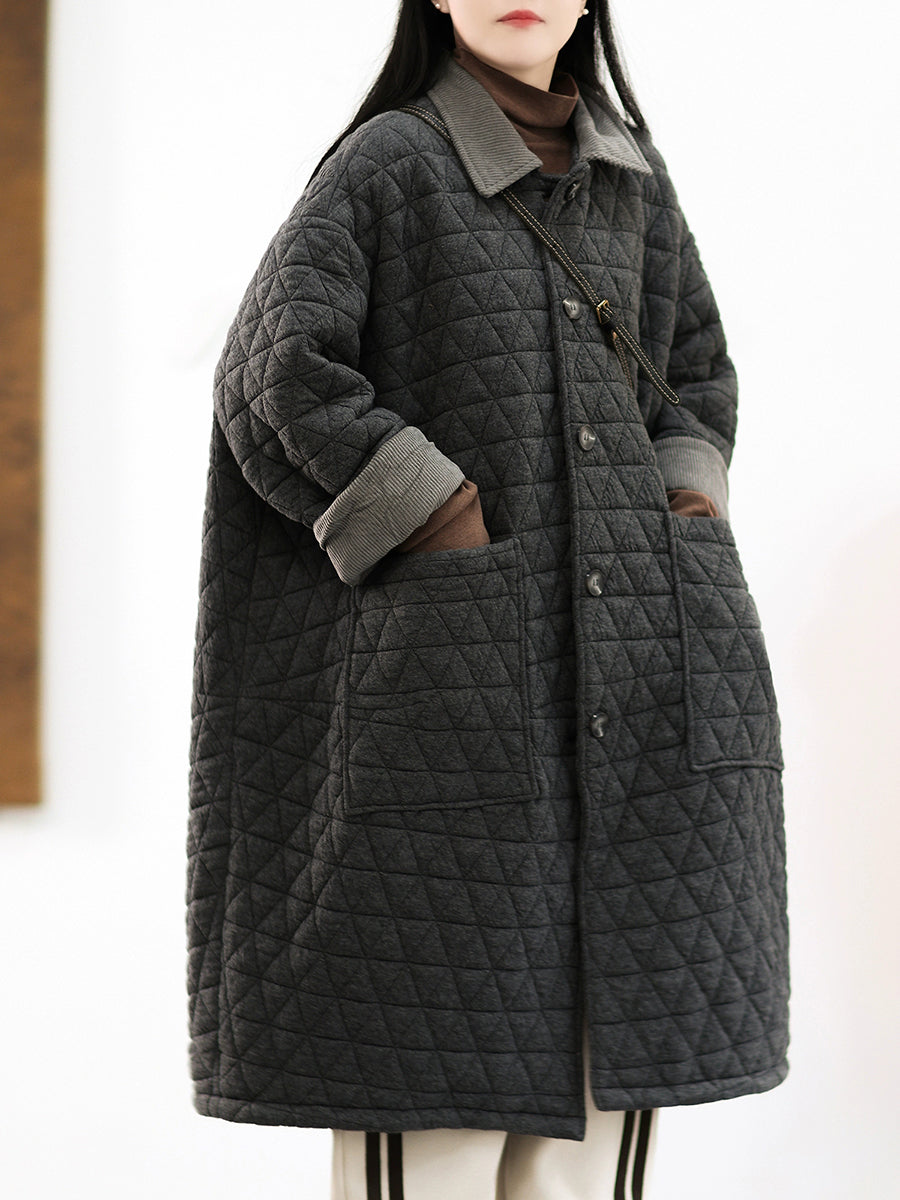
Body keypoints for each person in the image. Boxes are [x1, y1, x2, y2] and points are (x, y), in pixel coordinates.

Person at [184, 2, 791, 1198]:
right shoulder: (391, 164)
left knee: (585, 1157)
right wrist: (434, 516)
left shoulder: (632, 180)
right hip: (448, 725)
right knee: (438, 1150)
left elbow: (696, 375)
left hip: (640, 718)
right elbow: (274, 371)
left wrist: (683, 510)